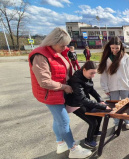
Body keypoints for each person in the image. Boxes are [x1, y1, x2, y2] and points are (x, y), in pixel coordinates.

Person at [28, 27, 92, 158]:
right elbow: (44, 82)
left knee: (58, 120)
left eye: (66, 45)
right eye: (62, 45)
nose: (64, 48)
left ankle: (61, 143)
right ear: (52, 42)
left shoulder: (58, 52)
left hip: (58, 92)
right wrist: (64, 87)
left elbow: (63, 70)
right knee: (63, 121)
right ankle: (73, 149)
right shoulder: (40, 56)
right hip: (51, 94)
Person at [65, 61, 113, 148]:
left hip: (83, 101)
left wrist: (99, 99)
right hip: (75, 104)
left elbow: (91, 90)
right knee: (93, 122)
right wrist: (103, 106)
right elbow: (82, 100)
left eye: (94, 73)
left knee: (98, 115)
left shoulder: (86, 76)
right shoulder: (76, 81)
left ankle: (95, 132)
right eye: (91, 73)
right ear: (84, 70)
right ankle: (89, 140)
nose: (93, 76)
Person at [98, 36, 129, 130]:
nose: (114, 50)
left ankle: (128, 121)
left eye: (117, 48)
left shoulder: (126, 57)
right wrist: (105, 88)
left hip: (125, 85)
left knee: (126, 105)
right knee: (114, 106)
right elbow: (104, 74)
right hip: (112, 86)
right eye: (112, 48)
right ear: (109, 47)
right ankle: (116, 122)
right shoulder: (107, 58)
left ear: (121, 46)